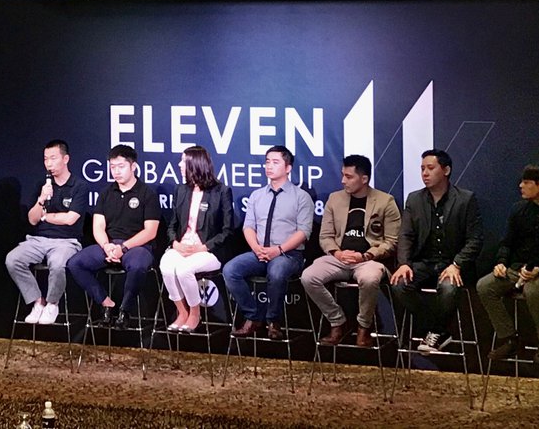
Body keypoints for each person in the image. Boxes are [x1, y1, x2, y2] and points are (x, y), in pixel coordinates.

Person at [476, 163, 539, 365]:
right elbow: (507, 242)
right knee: (485, 286)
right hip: (518, 269)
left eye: (527, 182)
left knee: (533, 290)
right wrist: (501, 262)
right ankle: (509, 338)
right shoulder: (518, 210)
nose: (521, 186)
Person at [390, 148, 483, 353]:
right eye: (422, 168)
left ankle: (435, 332)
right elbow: (405, 235)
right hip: (424, 262)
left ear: (446, 170)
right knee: (399, 283)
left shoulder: (465, 199)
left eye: (430, 168)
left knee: (449, 288)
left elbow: (475, 239)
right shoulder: (414, 199)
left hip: (452, 263)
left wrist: (457, 264)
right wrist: (404, 263)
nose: (425, 173)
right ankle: (436, 330)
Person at [301, 154, 400, 347]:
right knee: (308, 276)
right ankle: (338, 321)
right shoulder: (335, 199)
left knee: (370, 279)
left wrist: (365, 255)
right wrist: (337, 253)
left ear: (364, 179)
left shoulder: (385, 201)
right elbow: (325, 236)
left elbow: (391, 242)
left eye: (348, 176)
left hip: (369, 260)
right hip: (338, 258)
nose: (343, 180)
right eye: (343, 175)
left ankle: (364, 327)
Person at [222, 145, 314, 340]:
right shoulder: (257, 196)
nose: (269, 166)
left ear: (288, 168)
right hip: (260, 252)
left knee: (277, 271)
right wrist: (256, 248)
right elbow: (248, 227)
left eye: (275, 162)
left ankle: (273, 321)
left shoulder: (301, 197)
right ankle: (253, 317)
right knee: (230, 270)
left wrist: (278, 250)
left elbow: (304, 232)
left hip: (289, 254)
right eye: (267, 162)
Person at [66, 144, 161, 328]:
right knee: (75, 263)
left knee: (138, 265)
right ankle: (106, 303)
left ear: (133, 166)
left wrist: (123, 248)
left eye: (121, 166)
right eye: (112, 167)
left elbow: (150, 231)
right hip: (109, 245)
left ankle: (125, 311)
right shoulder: (106, 193)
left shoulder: (147, 194)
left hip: (137, 247)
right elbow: (98, 226)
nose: (116, 171)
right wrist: (106, 246)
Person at [4, 139, 90, 325]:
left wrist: (46, 217)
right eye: (45, 159)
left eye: (53, 158)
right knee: (13, 259)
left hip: (66, 241)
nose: (49, 163)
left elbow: (70, 219)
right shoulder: (43, 186)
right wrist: (41, 199)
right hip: (38, 239)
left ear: (65, 159)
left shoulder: (79, 186)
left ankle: (52, 303)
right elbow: (32, 219)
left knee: (58, 264)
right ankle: (38, 302)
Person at [160, 145, 235, 331]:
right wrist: (175, 243)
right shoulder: (181, 190)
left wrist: (204, 247)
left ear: (196, 164)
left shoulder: (221, 191)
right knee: (166, 267)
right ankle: (182, 312)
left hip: (209, 251)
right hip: (182, 246)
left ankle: (195, 313)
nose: (179, 165)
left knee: (183, 270)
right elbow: (172, 225)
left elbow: (227, 231)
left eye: (183, 161)